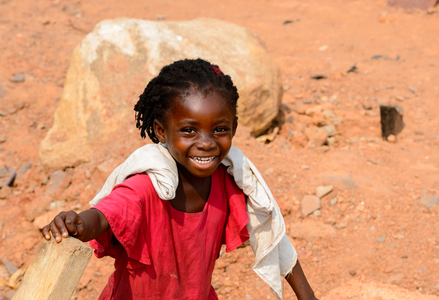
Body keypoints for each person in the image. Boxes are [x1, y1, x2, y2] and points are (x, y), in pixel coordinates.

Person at [42, 58, 318, 300]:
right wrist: (77, 224)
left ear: (234, 126)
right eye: (189, 131)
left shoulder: (231, 180)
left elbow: (271, 235)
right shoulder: (145, 187)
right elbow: (103, 217)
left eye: (220, 129)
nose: (207, 143)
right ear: (161, 131)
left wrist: (307, 296)